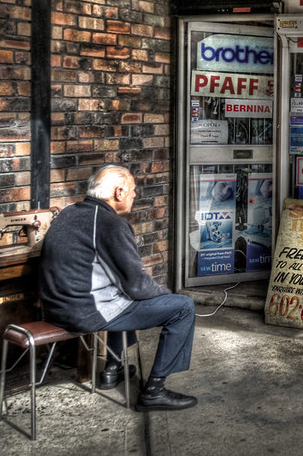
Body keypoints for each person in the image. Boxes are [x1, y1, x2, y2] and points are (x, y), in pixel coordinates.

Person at [39, 164, 198, 411]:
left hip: (55, 310)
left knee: (121, 297)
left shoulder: (68, 212)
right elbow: (137, 287)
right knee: (183, 307)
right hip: (85, 314)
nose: (135, 195)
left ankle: (113, 369)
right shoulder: (110, 223)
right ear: (120, 192)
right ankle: (154, 392)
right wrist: (166, 296)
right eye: (133, 190)